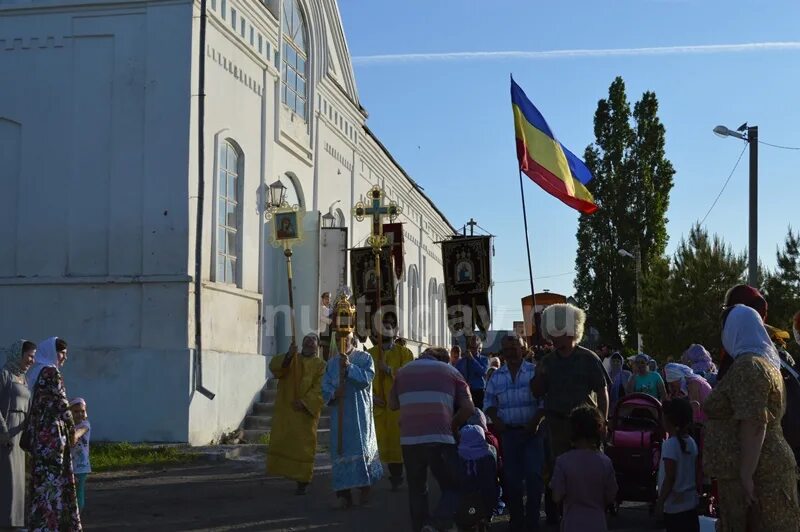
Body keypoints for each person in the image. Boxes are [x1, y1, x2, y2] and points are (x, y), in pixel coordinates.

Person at [703, 305, 800, 532]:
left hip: (760, 474)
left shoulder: (750, 365)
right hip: (766, 469)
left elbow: (755, 422)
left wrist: (746, 474)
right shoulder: (766, 363)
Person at [531, 303, 608, 526]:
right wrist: (538, 372)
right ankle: (562, 516)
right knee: (558, 473)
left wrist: (603, 421)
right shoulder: (547, 361)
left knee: (590, 473)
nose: (554, 337)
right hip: (557, 425)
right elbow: (537, 391)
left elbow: (602, 392)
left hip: (585, 425)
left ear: (572, 330)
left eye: (559, 330)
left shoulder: (589, 358)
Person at [389, 346, 475, 532]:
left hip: (410, 440)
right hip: (440, 437)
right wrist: (453, 425)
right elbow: (469, 408)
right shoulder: (451, 371)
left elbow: (393, 404)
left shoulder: (402, 372)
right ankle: (435, 523)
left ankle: (420, 528)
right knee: (453, 486)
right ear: (444, 360)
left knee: (417, 490)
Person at [484, 334, 543, 532]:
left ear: (523, 349)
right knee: (512, 480)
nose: (511, 353)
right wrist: (497, 421)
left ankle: (533, 520)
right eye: (507, 350)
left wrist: (535, 422)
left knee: (534, 477)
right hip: (508, 435)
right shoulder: (497, 376)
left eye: (515, 348)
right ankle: (516, 520)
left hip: (532, 433)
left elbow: (544, 402)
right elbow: (488, 403)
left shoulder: (535, 372)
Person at [24, 336, 82, 531]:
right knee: (53, 479)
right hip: (52, 435)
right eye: (62, 353)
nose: (64, 357)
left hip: (39, 434)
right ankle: (52, 524)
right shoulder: (51, 372)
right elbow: (62, 404)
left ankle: (41, 523)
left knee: (42, 480)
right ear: (52, 352)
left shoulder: (36, 372)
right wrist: (73, 430)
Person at [322, 332, 383, 509]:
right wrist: (334, 393)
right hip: (339, 416)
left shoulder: (364, 357)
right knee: (341, 452)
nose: (344, 341)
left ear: (352, 339)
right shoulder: (332, 363)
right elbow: (325, 386)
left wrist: (349, 368)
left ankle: (365, 488)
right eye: (340, 338)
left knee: (360, 449)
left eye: (347, 338)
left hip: (359, 415)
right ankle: (344, 495)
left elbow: (367, 379)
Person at [266, 333, 327, 495]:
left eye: (313, 340)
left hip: (305, 414)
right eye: (306, 339)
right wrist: (288, 355)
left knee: (304, 446)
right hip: (287, 410)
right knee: (285, 441)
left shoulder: (321, 365)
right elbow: (275, 368)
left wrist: (306, 402)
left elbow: (321, 388)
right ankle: (283, 470)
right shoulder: (293, 358)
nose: (308, 342)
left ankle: (303, 481)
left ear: (318, 345)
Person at [550, 406, 617, 532]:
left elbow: (556, 496)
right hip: (598, 523)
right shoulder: (605, 462)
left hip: (571, 523)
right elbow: (611, 495)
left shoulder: (563, 462)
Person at [368, 313, 414, 490]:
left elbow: (408, 375)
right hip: (377, 405)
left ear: (395, 332)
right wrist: (371, 397)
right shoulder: (371, 354)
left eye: (389, 327)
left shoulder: (405, 353)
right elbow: (365, 378)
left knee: (395, 443)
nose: (385, 331)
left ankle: (396, 477)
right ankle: (372, 478)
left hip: (396, 407)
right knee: (376, 443)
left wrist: (388, 369)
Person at [0, 340, 36, 530]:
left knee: (20, 479)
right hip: (7, 433)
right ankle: (5, 521)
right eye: (29, 355)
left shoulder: (24, 379)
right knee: (7, 478)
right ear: (18, 354)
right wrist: (3, 431)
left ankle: (17, 521)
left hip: (20, 432)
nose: (32, 360)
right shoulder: (4, 374)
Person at [657, 398, 700, 532]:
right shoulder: (691, 442)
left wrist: (660, 501)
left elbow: (670, 477)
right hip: (691, 504)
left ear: (668, 420)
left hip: (674, 508)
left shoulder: (670, 445)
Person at [453, 424, 499, 532]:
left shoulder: (458, 456)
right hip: (486, 500)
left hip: (464, 501)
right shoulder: (489, 454)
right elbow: (492, 480)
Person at [455, 335, 489, 409]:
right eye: (471, 347)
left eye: (474, 348)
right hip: (465, 391)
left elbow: (483, 372)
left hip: (478, 391)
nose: (472, 350)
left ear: (479, 348)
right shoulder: (462, 361)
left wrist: (472, 359)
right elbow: (457, 374)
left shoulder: (484, 359)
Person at [69, 397, 91, 512]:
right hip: (69, 464)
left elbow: (76, 436)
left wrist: (73, 433)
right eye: (76, 411)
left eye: (82, 411)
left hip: (81, 465)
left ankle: (77, 516)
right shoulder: (66, 425)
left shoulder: (85, 425)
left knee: (78, 492)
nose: (79, 414)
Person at [319, 292, 333, 360]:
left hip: (329, 333)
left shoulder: (330, 308)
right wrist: (330, 321)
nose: (328, 299)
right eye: (326, 297)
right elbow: (320, 317)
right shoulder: (321, 307)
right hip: (322, 332)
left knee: (326, 351)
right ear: (322, 299)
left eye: (329, 298)